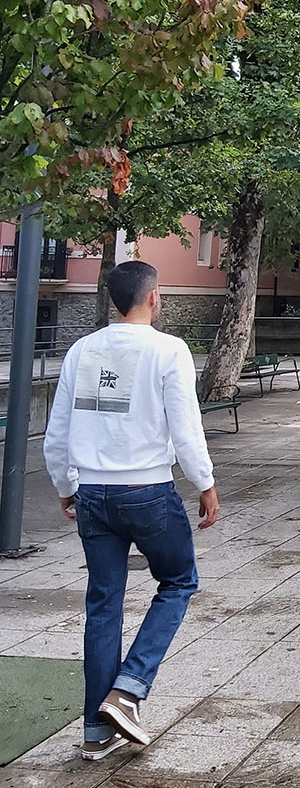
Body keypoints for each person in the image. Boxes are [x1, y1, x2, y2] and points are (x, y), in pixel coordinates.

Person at [43, 261, 219, 760]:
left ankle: (95, 734)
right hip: (147, 490)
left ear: (112, 300)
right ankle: (128, 688)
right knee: (179, 581)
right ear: (154, 298)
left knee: (103, 606)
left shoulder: (81, 349)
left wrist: (65, 485)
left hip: (93, 493)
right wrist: (204, 483)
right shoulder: (169, 350)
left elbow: (58, 430)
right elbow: (185, 427)